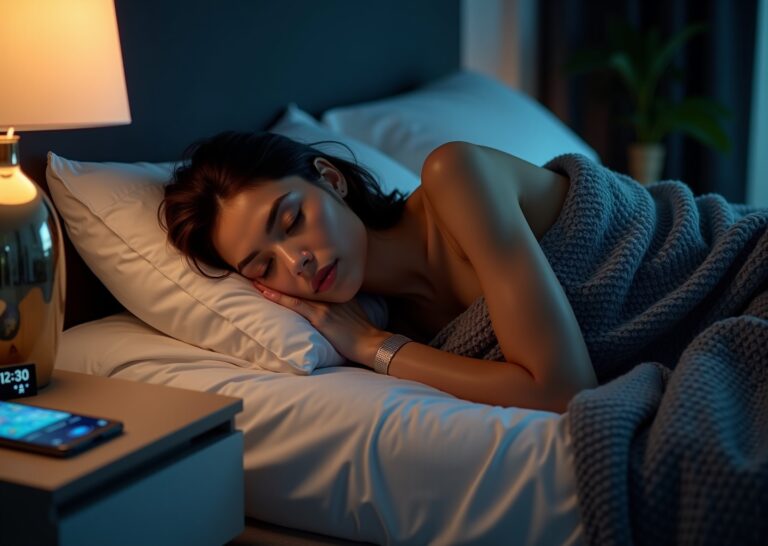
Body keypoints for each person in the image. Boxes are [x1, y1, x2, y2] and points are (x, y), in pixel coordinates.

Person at [158, 131, 597, 413]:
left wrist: (373, 346)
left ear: (331, 179)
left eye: (292, 221)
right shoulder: (399, 319)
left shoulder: (456, 176)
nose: (297, 263)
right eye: (265, 266)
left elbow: (563, 391)